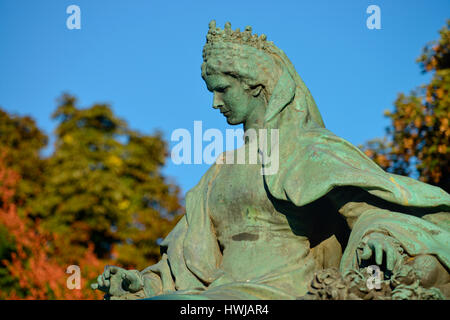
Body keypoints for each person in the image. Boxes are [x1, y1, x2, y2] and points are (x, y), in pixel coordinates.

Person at [92, 21, 450, 300]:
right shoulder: (218, 172)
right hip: (217, 291)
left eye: (222, 90)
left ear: (253, 86)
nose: (215, 103)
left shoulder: (311, 151)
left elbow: (371, 211)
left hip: (283, 290)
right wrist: (142, 282)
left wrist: (380, 237)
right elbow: (183, 264)